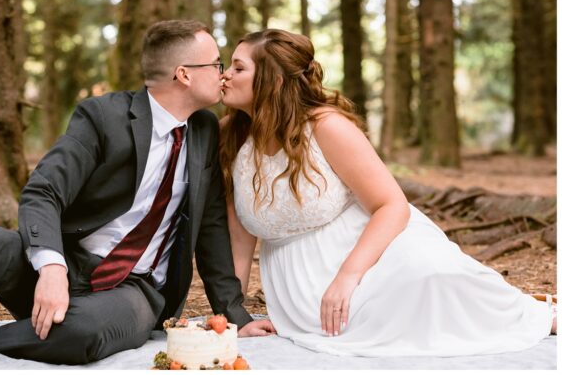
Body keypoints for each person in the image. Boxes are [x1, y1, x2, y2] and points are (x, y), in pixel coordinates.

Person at [0, 20, 274, 365]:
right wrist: (51, 268)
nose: (223, 74)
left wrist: (236, 316)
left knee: (84, 333)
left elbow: (210, 229)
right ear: (184, 74)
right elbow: (43, 192)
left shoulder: (204, 130)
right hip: (66, 271)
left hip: (133, 292)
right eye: (217, 63)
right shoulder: (104, 116)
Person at [218, 28, 555, 356]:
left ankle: (535, 316)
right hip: (300, 290)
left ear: (274, 81)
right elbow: (239, 238)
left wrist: (347, 278)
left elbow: (392, 205)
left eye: (238, 67)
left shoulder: (326, 127)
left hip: (370, 253)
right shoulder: (230, 138)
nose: (225, 75)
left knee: (432, 277)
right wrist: (232, 316)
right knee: (378, 326)